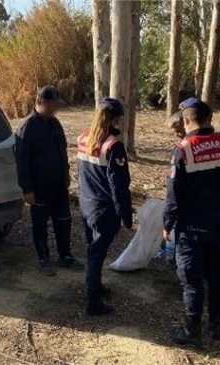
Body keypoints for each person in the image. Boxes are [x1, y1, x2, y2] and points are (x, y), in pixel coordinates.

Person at [163, 97, 220, 345]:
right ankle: (216, 326)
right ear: (208, 119)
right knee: (217, 276)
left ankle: (191, 331)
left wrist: (167, 223)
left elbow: (174, 192)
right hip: (219, 223)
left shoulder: (184, 148)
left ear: (186, 120)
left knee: (192, 280)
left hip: (192, 227)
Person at [15, 85, 84, 276]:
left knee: (63, 221)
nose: (56, 109)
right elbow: (21, 160)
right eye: (54, 105)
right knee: (40, 224)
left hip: (58, 185)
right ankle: (44, 259)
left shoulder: (55, 124)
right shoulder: (27, 127)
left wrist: (66, 174)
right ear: (42, 103)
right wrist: (27, 189)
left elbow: (62, 151)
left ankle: (65, 255)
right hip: (39, 187)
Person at [76, 97, 132, 316]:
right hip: (103, 209)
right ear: (115, 119)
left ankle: (96, 287)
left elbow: (80, 174)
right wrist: (126, 215)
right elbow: (119, 186)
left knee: (93, 249)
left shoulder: (83, 138)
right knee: (96, 254)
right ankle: (92, 302)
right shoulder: (113, 146)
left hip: (86, 204)